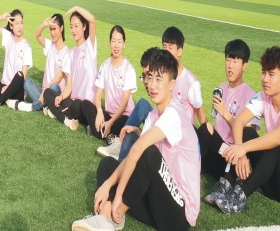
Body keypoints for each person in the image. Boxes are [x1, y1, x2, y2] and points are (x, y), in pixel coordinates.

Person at [72, 48, 200, 231]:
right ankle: (109, 219)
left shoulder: (174, 114)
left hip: (179, 215)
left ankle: (114, 211)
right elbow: (133, 157)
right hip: (156, 204)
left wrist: (118, 197)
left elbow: (138, 151)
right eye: (149, 77)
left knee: (147, 153)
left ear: (172, 84)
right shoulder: (154, 115)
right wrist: (108, 183)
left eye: (158, 79)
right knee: (108, 164)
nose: (152, 85)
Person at [215, 46, 280, 214]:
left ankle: (240, 197)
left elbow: (277, 138)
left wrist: (243, 148)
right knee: (247, 132)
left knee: (275, 144)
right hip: (269, 186)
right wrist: (242, 154)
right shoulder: (263, 97)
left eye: (271, 74)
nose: (265, 79)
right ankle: (225, 185)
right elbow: (239, 121)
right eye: (263, 72)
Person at [197, 39, 259, 203]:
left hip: (233, 160)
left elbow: (249, 135)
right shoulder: (221, 88)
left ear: (245, 65)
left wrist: (227, 114)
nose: (230, 65)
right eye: (228, 59)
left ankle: (225, 185)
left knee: (242, 140)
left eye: (236, 61)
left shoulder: (250, 96)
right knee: (203, 129)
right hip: (217, 152)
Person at [43, 6, 97, 131]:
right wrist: (61, 97)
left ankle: (58, 113)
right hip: (73, 103)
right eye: (71, 26)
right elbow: (69, 86)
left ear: (84, 27)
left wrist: (76, 8)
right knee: (48, 93)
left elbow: (92, 20)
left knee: (80, 104)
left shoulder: (90, 47)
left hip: (87, 105)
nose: (73, 30)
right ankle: (66, 119)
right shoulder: (71, 54)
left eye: (77, 26)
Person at [81, 26, 137, 142]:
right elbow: (98, 95)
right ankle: (109, 135)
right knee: (85, 105)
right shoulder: (105, 65)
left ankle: (100, 131)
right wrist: (100, 112)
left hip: (124, 116)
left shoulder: (129, 69)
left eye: (119, 42)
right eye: (113, 41)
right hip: (109, 114)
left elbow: (125, 102)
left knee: (123, 123)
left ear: (124, 44)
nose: (116, 45)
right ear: (109, 42)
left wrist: (110, 123)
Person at [24, 14, 70, 113]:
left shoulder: (67, 53)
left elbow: (59, 77)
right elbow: (37, 35)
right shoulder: (50, 45)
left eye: (55, 29)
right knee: (26, 82)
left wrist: (45, 90)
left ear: (61, 28)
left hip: (55, 92)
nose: (52, 33)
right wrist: (44, 24)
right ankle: (47, 105)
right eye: (50, 29)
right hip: (44, 90)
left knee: (54, 87)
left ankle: (36, 106)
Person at [162, 26, 206, 126]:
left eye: (170, 48)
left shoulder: (190, 81)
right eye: (164, 47)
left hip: (183, 135)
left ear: (179, 51)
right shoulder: (161, 76)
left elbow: (200, 113)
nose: (166, 52)